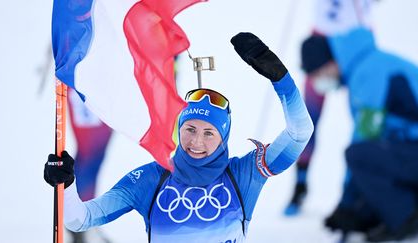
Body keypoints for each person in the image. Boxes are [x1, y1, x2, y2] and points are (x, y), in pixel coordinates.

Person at [43, 32, 314, 243]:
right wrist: (65, 185)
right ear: (179, 129)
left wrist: (281, 80)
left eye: (209, 133)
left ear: (224, 138)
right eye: (190, 130)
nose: (197, 142)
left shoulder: (243, 175)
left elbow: (300, 134)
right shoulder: (150, 179)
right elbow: (81, 219)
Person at [300, 27, 418, 242]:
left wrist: (347, 205)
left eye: (318, 74)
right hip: (411, 149)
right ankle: (379, 215)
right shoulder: (371, 65)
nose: (319, 83)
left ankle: (406, 218)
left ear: (329, 63)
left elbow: (366, 138)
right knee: (370, 156)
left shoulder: (369, 72)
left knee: (358, 155)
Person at [284, 0, 375, 216]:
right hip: (322, 41)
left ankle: (360, 193)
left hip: (357, 45)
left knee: (366, 120)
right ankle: (300, 186)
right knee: (307, 120)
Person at [66, 88, 114, 243]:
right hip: (85, 76)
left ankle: (82, 220)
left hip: (106, 77)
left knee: (94, 154)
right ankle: (81, 223)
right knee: (90, 153)